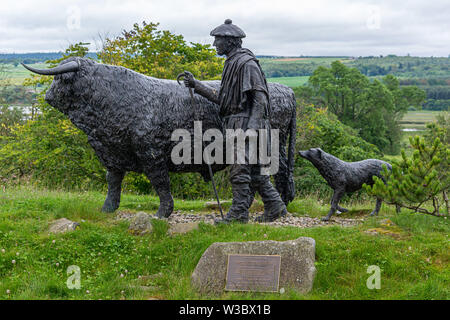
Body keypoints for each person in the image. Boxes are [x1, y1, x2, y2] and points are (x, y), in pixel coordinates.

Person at [182, 19, 286, 223]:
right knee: (256, 172)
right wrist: (196, 85)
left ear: (229, 41)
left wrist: (252, 128)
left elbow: (260, 97)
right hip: (236, 122)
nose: (214, 45)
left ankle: (238, 214)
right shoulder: (231, 63)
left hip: (246, 124)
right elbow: (223, 98)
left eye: (217, 40)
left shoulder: (246, 64)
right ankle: (275, 206)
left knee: (238, 170)